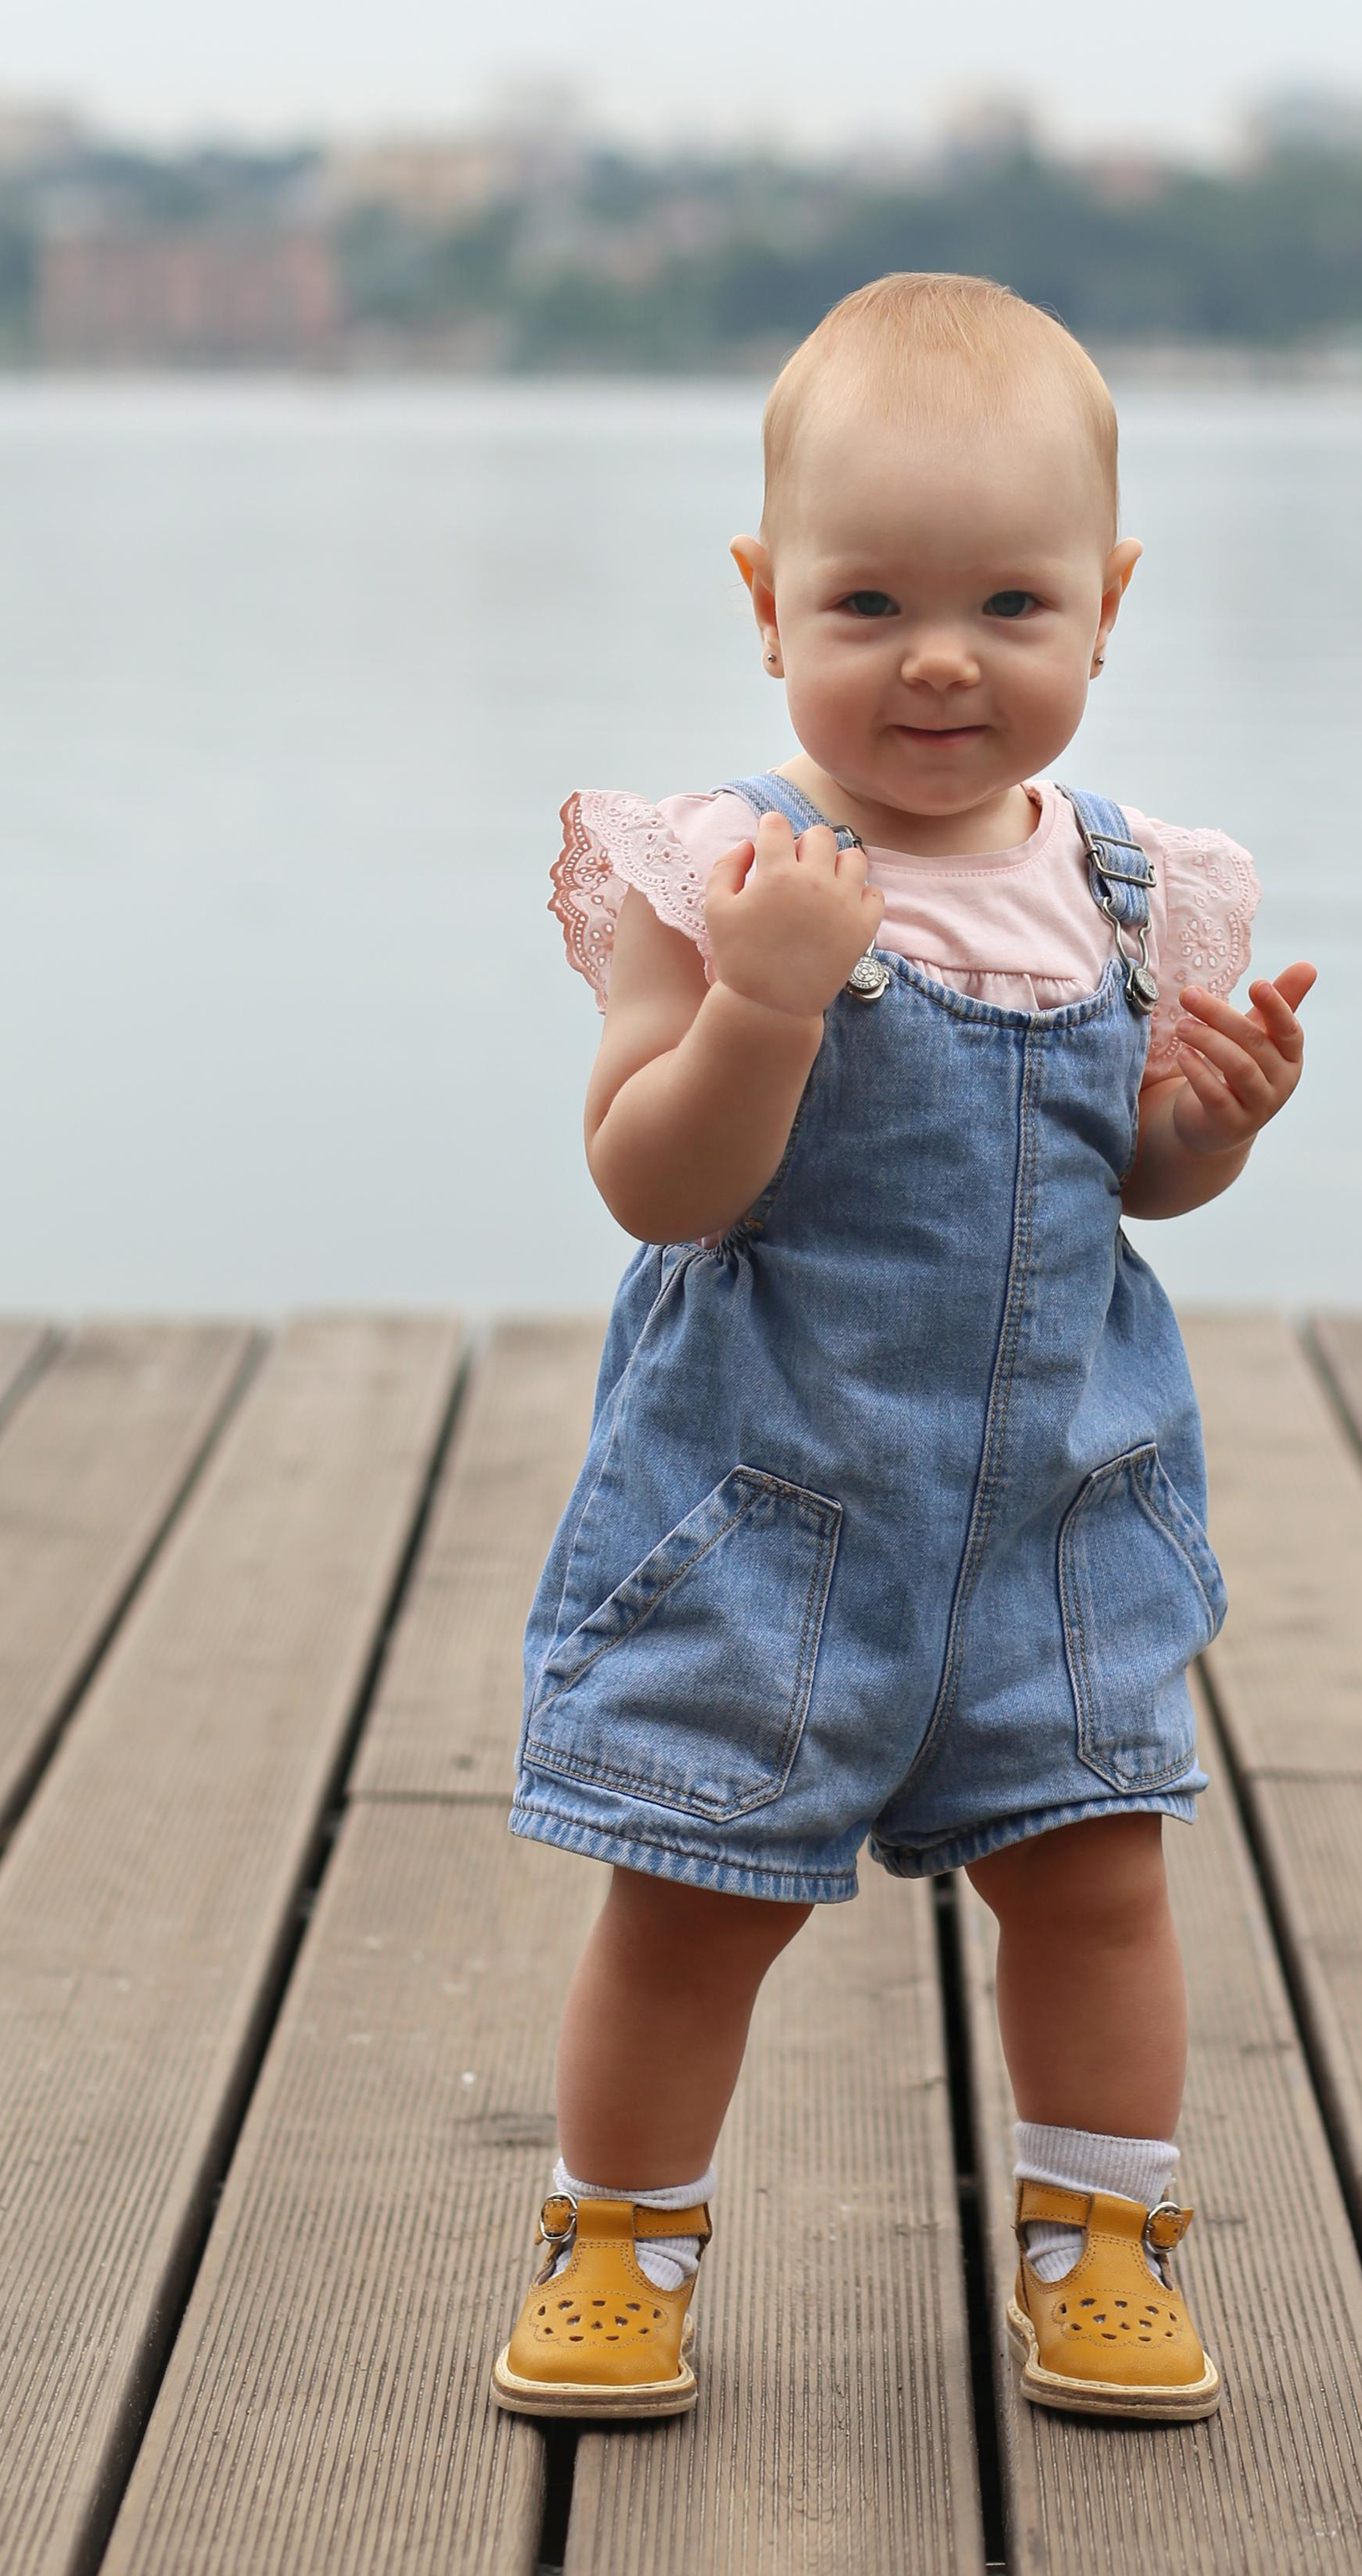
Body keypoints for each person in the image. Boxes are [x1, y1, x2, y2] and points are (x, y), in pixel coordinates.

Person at [493, 272, 1315, 2427]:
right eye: (869, 602)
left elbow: (1127, 1188)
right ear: (767, 604)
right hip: (768, 1504)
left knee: (1100, 1876)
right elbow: (655, 1185)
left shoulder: (1144, 894)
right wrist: (763, 1002)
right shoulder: (719, 872)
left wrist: (1203, 1129)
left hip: (1060, 1503)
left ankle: (1104, 2235)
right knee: (692, 1897)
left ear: (1108, 606)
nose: (942, 658)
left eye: (1010, 605)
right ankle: (618, 2236)